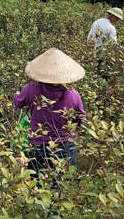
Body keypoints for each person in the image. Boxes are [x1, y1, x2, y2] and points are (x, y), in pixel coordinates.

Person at [13, 48, 86, 185]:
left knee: (35, 188)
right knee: (63, 187)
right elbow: (81, 120)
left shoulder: (30, 90)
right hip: (66, 147)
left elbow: (17, 102)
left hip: (38, 147)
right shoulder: (74, 96)